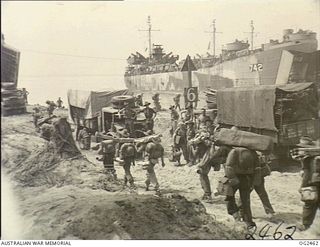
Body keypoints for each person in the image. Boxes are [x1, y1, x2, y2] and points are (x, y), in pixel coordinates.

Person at [224, 146, 260, 227]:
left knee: (229, 197)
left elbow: (228, 166)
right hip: (247, 179)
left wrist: (233, 179)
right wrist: (254, 181)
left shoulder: (234, 151)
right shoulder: (253, 152)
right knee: (245, 200)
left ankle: (235, 214)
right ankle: (248, 221)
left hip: (234, 178)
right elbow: (257, 168)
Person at [292, 136, 320, 231]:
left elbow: (307, 173)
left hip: (312, 182)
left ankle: (305, 225)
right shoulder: (317, 156)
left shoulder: (307, 158)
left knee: (309, 203)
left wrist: (302, 187)